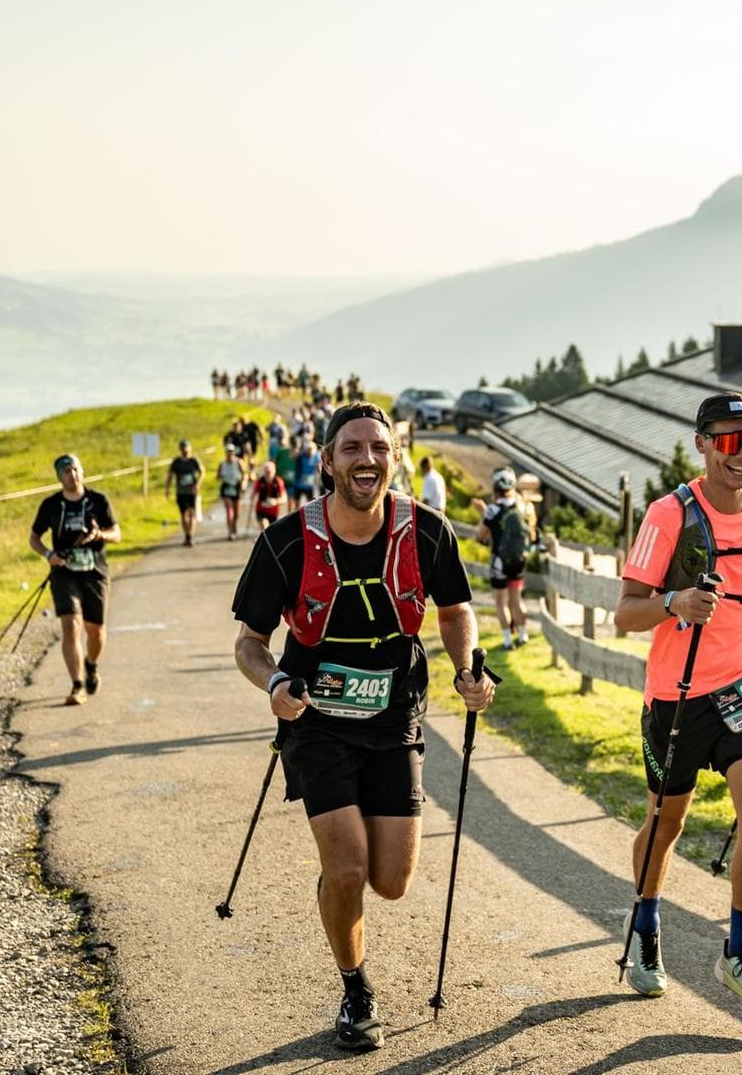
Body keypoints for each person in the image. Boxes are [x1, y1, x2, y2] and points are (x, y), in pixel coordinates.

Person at [231, 402, 492, 1051]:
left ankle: (339, 882)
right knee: (348, 870)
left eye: (378, 447)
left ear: (395, 457)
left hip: (395, 712)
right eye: (351, 448)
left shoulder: (427, 531)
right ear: (327, 460)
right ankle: (356, 991)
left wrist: (467, 670)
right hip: (316, 718)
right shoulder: (286, 541)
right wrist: (274, 684)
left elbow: (456, 610)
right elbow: (249, 643)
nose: (366, 459)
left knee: (392, 882)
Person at [612, 391, 742, 1014]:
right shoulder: (669, 515)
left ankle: (739, 952)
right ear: (701, 444)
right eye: (727, 439)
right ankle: (646, 927)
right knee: (666, 825)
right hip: (677, 697)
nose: (741, 452)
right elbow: (624, 615)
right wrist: (673, 604)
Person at [28, 453, 123, 706]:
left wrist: (100, 535)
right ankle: (77, 685)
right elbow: (34, 538)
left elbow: (117, 533)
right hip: (64, 573)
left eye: (75, 469)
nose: (72, 475)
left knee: (96, 630)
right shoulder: (51, 505)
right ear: (59, 477)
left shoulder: (98, 501)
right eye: (66, 471)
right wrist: (49, 555)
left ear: (83, 471)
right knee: (70, 625)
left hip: (95, 572)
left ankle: (91, 666)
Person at [476, 467, 532, 649]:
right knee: (517, 600)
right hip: (518, 561)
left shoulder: (492, 509)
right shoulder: (522, 506)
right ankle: (523, 636)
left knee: (501, 603)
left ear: (495, 487)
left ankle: (508, 641)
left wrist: (482, 513)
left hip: (499, 562)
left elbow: (480, 535)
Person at [165, 439, 204, 547]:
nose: (185, 451)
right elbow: (170, 476)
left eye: (187, 449)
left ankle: (190, 536)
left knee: (192, 514)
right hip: (181, 492)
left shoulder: (194, 460)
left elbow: (202, 472)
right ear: (180, 450)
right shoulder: (176, 462)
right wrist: (167, 489)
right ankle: (186, 535)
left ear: (190, 448)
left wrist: (198, 484)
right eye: (183, 449)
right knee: (183, 515)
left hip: (192, 492)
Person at [217, 445, 247, 540]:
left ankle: (234, 526)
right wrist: (222, 476)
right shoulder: (222, 464)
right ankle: (230, 532)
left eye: (231, 451)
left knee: (236, 513)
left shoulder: (239, 462)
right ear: (226, 452)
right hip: (226, 487)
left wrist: (243, 484)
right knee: (229, 511)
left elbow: (244, 475)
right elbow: (218, 476)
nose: (230, 453)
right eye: (228, 451)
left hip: (236, 487)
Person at [252, 457, 288, 527]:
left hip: (273, 512)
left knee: (271, 532)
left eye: (270, 472)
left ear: (274, 472)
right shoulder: (260, 481)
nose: (268, 475)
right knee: (265, 526)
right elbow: (254, 493)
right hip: (261, 510)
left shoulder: (278, 482)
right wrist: (252, 497)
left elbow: (284, 498)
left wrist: (275, 501)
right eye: (266, 472)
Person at [292, 435, 322, 508]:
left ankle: (308, 516)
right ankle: (296, 516)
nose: (310, 453)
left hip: (309, 484)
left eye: (311, 451)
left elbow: (319, 467)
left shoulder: (316, 456)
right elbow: (293, 457)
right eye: (308, 451)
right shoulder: (301, 455)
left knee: (310, 503)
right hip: (299, 482)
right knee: (296, 502)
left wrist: (321, 475)